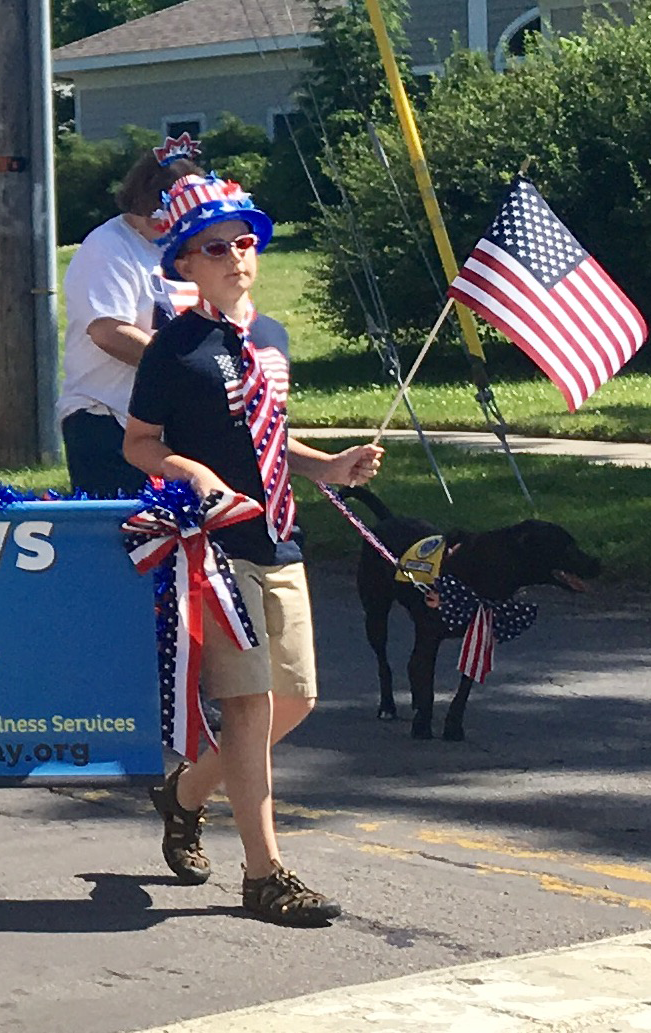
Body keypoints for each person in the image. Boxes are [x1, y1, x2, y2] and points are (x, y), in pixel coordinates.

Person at [122, 174, 383, 926]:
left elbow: (268, 433)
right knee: (247, 705)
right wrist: (193, 473)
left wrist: (326, 465)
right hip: (214, 547)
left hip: (280, 538)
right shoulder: (173, 348)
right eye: (215, 247)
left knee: (294, 699)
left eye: (244, 242)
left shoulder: (270, 337)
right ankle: (264, 873)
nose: (235, 255)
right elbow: (139, 443)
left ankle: (183, 794)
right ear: (184, 262)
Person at [59, 136, 204, 497]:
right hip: (106, 419)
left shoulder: (191, 250)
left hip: (170, 424)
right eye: (157, 215)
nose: (165, 225)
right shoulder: (108, 247)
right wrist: (182, 367)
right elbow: (109, 331)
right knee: (126, 542)